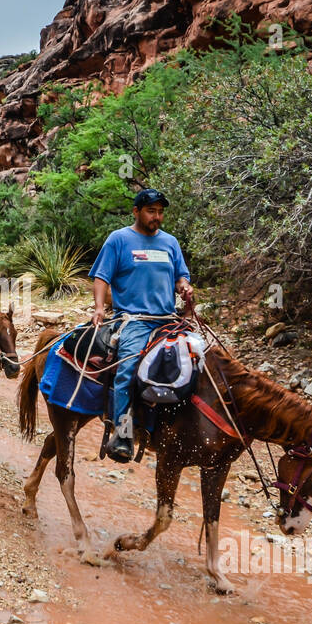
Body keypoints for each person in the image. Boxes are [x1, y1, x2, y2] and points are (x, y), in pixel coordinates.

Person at [88, 188, 194, 463]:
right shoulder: (119, 240)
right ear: (136, 212)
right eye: (151, 211)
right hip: (133, 321)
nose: (156, 217)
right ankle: (123, 434)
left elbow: (181, 276)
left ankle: (180, 427)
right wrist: (100, 308)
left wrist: (184, 287)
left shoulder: (170, 242)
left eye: (160, 212)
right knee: (128, 369)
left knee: (195, 360)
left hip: (167, 320)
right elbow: (101, 277)